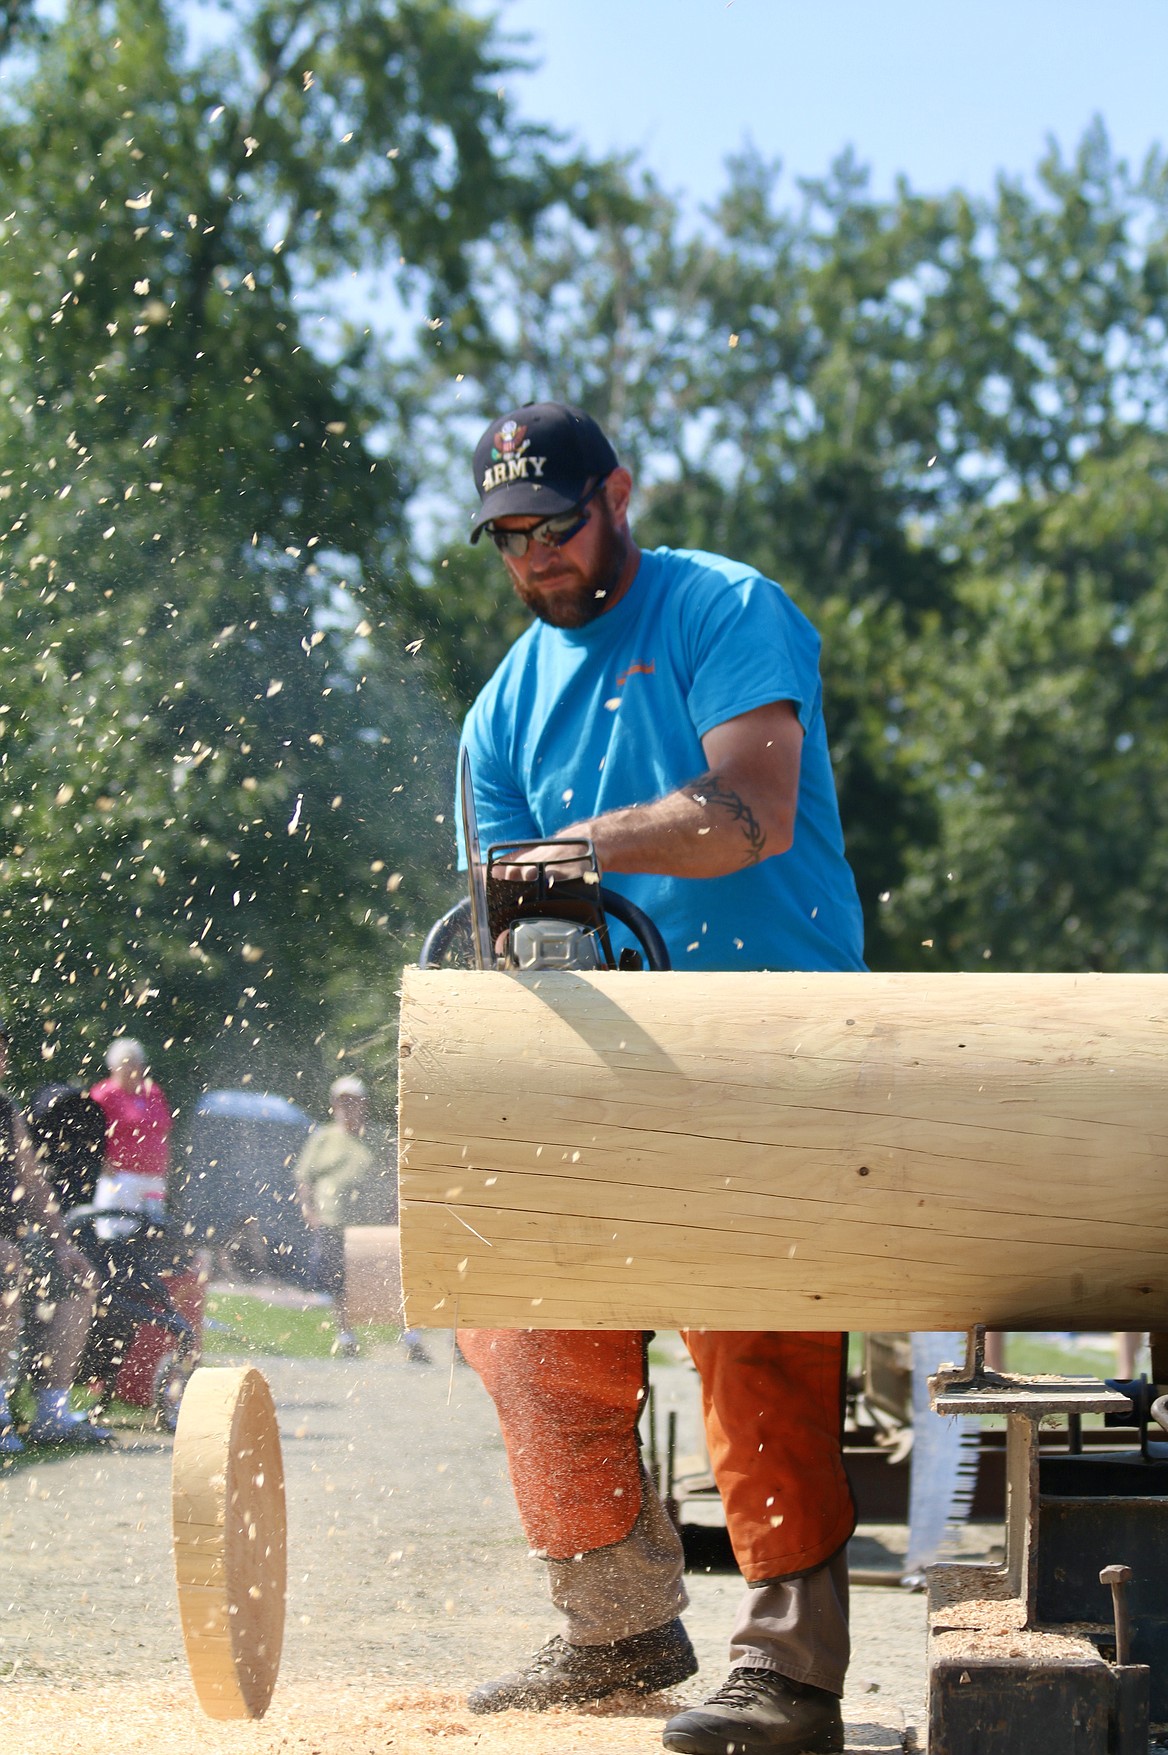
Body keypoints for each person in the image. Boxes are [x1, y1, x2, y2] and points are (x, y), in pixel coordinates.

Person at [453, 401, 866, 1755]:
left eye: (555, 525)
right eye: (508, 538)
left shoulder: (724, 608)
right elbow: (512, 933)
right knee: (519, 1310)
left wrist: (577, 845)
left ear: (614, 495)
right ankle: (617, 1619)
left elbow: (753, 803)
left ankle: (789, 1667)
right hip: (606, 1061)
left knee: (752, 1310)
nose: (535, 558)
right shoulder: (498, 714)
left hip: (772, 1038)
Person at [0, 1021, 114, 1450]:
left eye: (2, 1052)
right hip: (4, 1248)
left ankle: (53, 1411)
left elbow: (33, 1184)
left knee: (79, 1277)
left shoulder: (6, 1112)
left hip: (13, 1238)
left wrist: (63, 1243)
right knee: (7, 1262)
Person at [295, 1076, 429, 1363]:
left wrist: (398, 1209)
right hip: (334, 1222)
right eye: (342, 1102)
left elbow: (399, 1175)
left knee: (393, 1279)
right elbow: (305, 1177)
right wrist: (308, 1210)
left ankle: (410, 1339)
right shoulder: (323, 1137)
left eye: (353, 1101)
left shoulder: (380, 1137)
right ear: (333, 1105)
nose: (347, 1107)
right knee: (339, 1282)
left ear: (363, 1104)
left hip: (375, 1224)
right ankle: (347, 1337)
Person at [89, 1037, 173, 1237]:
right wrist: (103, 1164)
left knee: (153, 1235)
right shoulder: (103, 1094)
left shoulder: (152, 1092)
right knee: (116, 1235)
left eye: (137, 1064)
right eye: (127, 1065)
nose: (133, 1070)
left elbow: (164, 1130)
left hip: (153, 1177)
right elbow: (90, 1134)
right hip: (120, 1177)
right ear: (114, 1068)